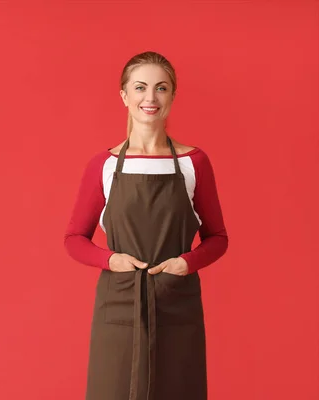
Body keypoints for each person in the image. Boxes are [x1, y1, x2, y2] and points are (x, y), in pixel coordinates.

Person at [63, 51, 228, 400]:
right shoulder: (103, 165)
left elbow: (218, 237)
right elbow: (74, 238)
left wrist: (188, 262)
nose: (150, 98)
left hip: (175, 302)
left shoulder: (193, 162)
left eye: (161, 88)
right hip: (119, 301)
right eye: (140, 88)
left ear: (172, 95)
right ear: (125, 96)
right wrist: (110, 260)